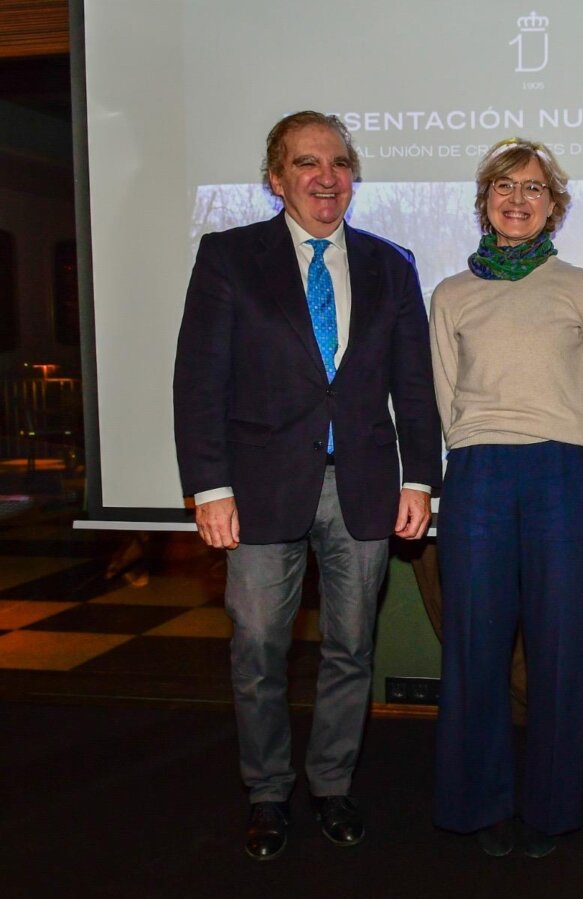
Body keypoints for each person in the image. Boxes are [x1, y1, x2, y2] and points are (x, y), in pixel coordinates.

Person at [173, 111, 441, 861]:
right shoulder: (229, 258)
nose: (325, 177)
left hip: (363, 486)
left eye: (338, 162)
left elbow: (413, 387)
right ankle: (266, 789)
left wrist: (419, 476)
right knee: (258, 646)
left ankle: (331, 782)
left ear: (352, 174)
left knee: (352, 646)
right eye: (306, 163)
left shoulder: (393, 263)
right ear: (276, 179)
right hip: (257, 489)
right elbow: (199, 380)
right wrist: (208, 486)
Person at [429, 138, 583, 859]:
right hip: (476, 475)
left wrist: (563, 443)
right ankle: (480, 804)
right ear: (485, 202)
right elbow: (446, 396)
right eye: (504, 187)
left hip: (561, 476)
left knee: (560, 649)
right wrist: (484, 443)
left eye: (533, 189)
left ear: (553, 206)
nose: (517, 199)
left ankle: (550, 808)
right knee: (474, 649)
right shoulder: (451, 294)